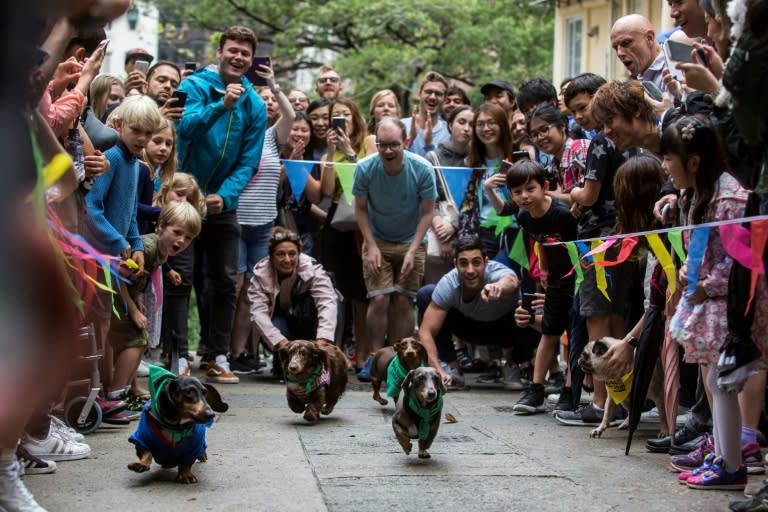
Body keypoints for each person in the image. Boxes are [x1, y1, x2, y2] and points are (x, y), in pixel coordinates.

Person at [662, 116, 767, 490]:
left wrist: (707, 284)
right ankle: (723, 456)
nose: (664, 166)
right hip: (708, 300)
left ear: (693, 162)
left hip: (728, 303)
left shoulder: (729, 200)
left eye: (668, 157)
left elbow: (743, 262)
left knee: (723, 381)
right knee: (713, 377)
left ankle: (733, 465)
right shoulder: (699, 194)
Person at [175, 25, 268, 384]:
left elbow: (249, 161)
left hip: (221, 204)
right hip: (183, 197)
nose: (238, 57)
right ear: (220, 51)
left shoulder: (255, 105)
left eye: (245, 53)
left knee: (226, 281)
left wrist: (225, 196)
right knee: (180, 277)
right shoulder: (195, 86)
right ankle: (178, 355)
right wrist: (220, 105)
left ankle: (217, 355)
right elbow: (185, 130)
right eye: (233, 50)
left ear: (251, 59)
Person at [81, 94, 163, 423]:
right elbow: (92, 209)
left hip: (117, 257)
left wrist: (138, 246)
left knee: (111, 325)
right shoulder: (112, 158)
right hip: (96, 256)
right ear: (119, 126)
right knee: (101, 325)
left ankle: (108, 393)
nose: (142, 139)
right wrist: (117, 243)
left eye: (148, 133)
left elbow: (128, 215)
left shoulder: (135, 166)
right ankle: (97, 392)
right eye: (137, 132)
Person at [352, 116, 437, 376]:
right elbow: (360, 208)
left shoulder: (421, 168)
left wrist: (413, 249)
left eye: (394, 145)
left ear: (406, 142)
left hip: (412, 240)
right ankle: (376, 358)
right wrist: (371, 244)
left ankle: (398, 359)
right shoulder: (366, 168)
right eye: (382, 145)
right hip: (378, 239)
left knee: (403, 300)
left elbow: (427, 213)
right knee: (378, 298)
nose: (388, 151)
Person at [97, 201, 201, 410]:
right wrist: (133, 309)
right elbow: (116, 275)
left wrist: (136, 301)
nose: (181, 241)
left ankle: (122, 390)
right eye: (177, 232)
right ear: (160, 226)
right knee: (136, 340)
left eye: (188, 238)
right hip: (111, 296)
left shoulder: (163, 253)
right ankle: (116, 394)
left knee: (141, 339)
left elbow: (134, 280)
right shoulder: (147, 247)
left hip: (126, 297)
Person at [230, 62, 294, 375]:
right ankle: (227, 352)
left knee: (255, 292)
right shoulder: (234, 135)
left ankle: (246, 353)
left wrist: (274, 86)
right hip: (235, 223)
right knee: (236, 287)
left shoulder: (271, 137)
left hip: (264, 224)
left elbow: (291, 117)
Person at [504, 160, 577, 414]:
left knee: (575, 333)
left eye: (530, 189)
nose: (524, 196)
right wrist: (544, 270)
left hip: (577, 278)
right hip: (555, 279)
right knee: (549, 330)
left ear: (545, 187)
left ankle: (570, 391)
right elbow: (539, 242)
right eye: (517, 192)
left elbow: (579, 245)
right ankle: (536, 390)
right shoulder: (525, 217)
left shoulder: (562, 214)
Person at [417, 235, 539, 386]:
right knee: (426, 294)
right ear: (455, 264)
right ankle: (451, 368)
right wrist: (436, 369)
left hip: (506, 330)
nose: (470, 270)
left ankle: (512, 364)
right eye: (463, 263)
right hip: (468, 329)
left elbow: (511, 281)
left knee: (535, 306)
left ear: (486, 262)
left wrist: (497, 288)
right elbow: (426, 331)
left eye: (476, 263)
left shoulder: (497, 272)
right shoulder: (449, 282)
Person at [248, 227, 338, 349]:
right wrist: (280, 342)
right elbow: (258, 313)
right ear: (271, 256)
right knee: (276, 329)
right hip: (280, 319)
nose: (287, 260)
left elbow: (327, 301)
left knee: (335, 303)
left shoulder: (312, 268)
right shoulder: (261, 274)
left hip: (309, 316)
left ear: (299, 254)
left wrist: (323, 339)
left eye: (292, 254)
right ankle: (281, 360)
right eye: (280, 254)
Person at [157, 173, 207, 377]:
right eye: (179, 194)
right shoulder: (155, 222)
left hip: (175, 270)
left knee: (178, 292)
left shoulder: (183, 236)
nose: (183, 201)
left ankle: (179, 354)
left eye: (189, 198)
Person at [424, 104, 473, 283]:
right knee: (434, 293)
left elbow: (474, 200)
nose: (466, 128)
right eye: (461, 122)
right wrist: (441, 232)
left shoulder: (476, 160)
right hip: (437, 233)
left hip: (468, 236)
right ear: (450, 125)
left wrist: (453, 226)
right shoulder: (432, 158)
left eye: (472, 124)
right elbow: (427, 199)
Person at [459, 103, 513, 257]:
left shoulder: (515, 157)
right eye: (480, 124)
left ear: (502, 125)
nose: (486, 128)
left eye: (491, 122)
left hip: (515, 231)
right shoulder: (470, 163)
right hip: (483, 232)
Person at [610, 14, 667, 93]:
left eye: (626, 43)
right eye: (616, 48)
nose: (619, 53)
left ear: (649, 38)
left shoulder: (676, 70)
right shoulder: (639, 77)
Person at [402, 71, 451, 157]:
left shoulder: (449, 133)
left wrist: (430, 145)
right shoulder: (401, 126)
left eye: (438, 94)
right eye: (428, 92)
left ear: (445, 99)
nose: (432, 97)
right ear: (419, 94)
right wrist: (410, 138)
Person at [364, 89, 401, 154]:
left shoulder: (403, 137)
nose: (386, 108)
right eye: (380, 105)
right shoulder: (363, 137)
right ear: (373, 112)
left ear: (397, 112)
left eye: (391, 106)